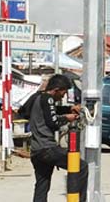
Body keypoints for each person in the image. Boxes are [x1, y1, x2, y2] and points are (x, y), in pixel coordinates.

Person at [22, 74, 87, 202]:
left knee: (42, 186)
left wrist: (69, 108)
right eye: (63, 92)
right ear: (56, 89)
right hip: (48, 149)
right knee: (81, 166)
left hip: (36, 150)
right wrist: (67, 118)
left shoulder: (37, 97)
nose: (63, 96)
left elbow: (26, 111)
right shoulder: (48, 99)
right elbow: (53, 123)